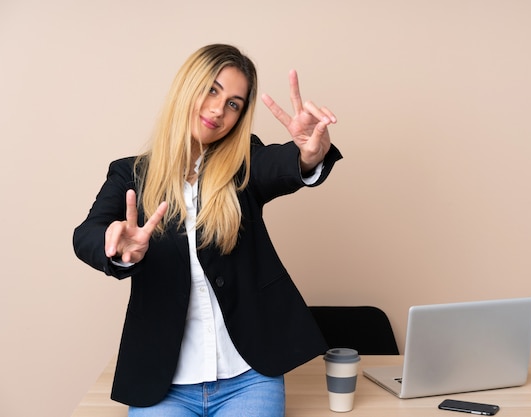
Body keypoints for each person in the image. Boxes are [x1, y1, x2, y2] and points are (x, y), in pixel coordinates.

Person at [73, 44, 342, 417]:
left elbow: (279, 165)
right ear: (187, 87)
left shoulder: (244, 162)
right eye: (212, 90)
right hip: (163, 384)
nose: (219, 109)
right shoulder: (129, 173)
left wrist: (308, 155)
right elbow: (86, 233)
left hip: (249, 378)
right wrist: (117, 248)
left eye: (234, 103)